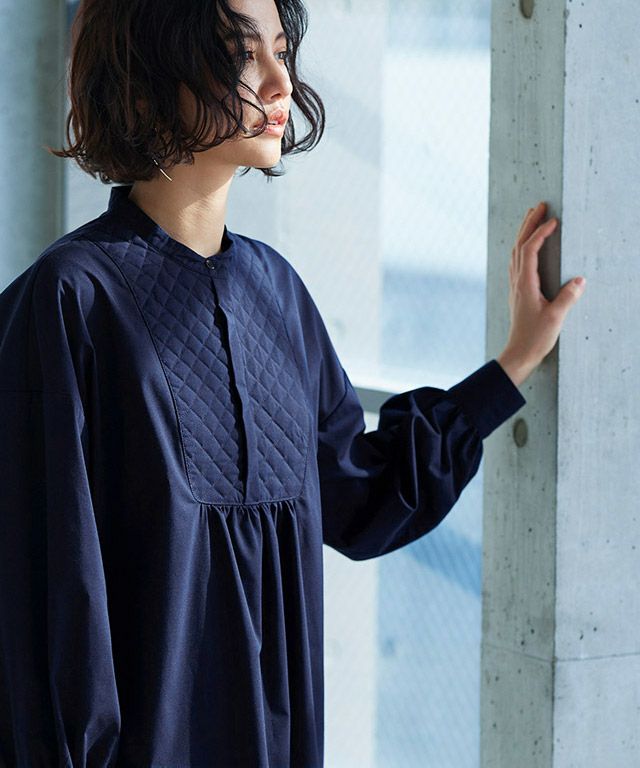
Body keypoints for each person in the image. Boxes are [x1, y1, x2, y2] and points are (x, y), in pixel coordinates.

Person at [0, 0, 586, 765]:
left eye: (282, 49)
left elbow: (362, 495)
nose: (281, 81)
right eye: (244, 53)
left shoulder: (277, 294)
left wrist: (513, 363)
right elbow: (43, 611)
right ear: (151, 70)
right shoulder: (68, 303)